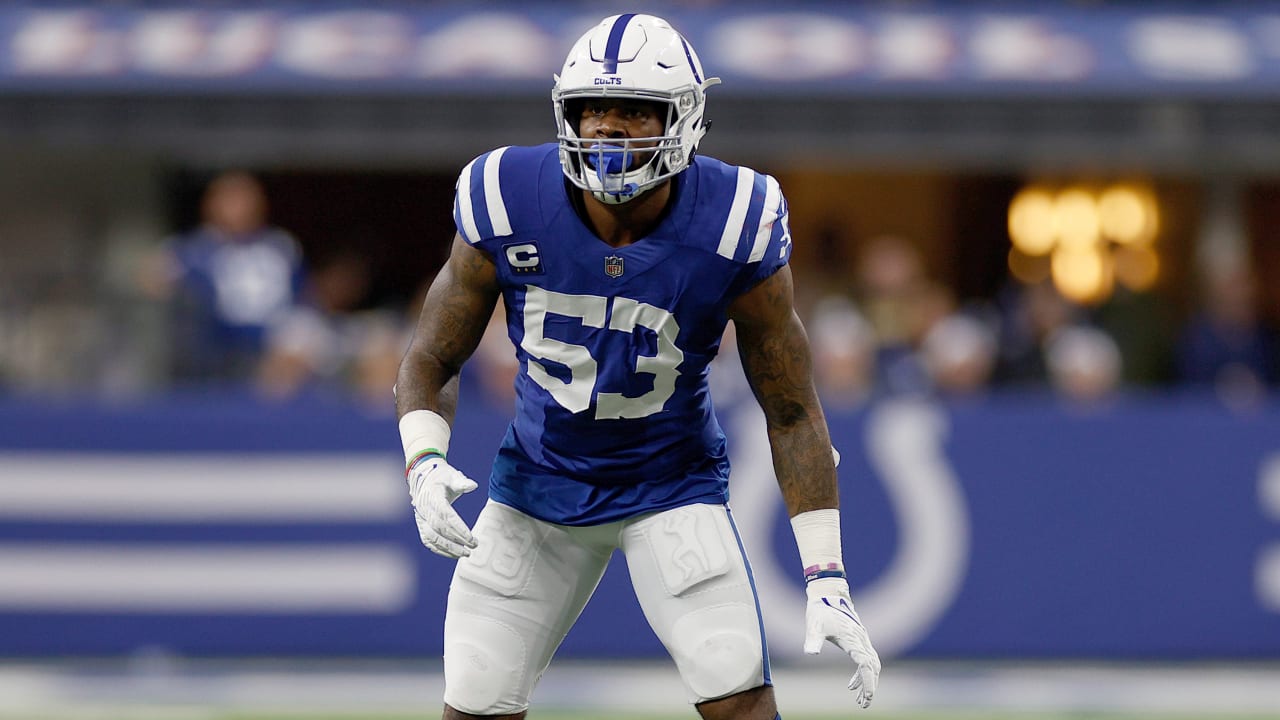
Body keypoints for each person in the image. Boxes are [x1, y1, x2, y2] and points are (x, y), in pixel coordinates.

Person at [394, 14, 880, 720]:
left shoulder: (734, 218)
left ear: (684, 118)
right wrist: (423, 462)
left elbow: (792, 409)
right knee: (474, 701)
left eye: (633, 111)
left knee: (738, 695)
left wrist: (826, 574)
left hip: (670, 485)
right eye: (592, 109)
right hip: (539, 487)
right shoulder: (506, 194)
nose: (607, 129)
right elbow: (434, 355)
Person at [139, 171, 304, 382]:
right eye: (230, 200)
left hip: (275, 341)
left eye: (246, 200)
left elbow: (302, 298)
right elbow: (152, 278)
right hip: (218, 343)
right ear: (211, 205)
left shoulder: (280, 245)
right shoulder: (193, 248)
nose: (239, 208)